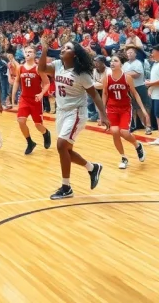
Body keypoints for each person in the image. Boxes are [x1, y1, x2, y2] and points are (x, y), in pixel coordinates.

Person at [38, 39, 108, 200]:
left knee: (61, 145)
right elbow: (41, 68)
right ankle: (92, 168)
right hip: (62, 112)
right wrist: (44, 50)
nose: (63, 49)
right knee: (66, 149)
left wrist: (103, 115)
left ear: (74, 54)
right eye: (63, 47)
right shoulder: (57, 65)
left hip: (76, 112)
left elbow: (95, 96)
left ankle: (66, 187)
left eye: (68, 48)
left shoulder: (81, 74)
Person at [103, 55, 148, 169]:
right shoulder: (106, 78)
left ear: (121, 64)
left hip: (125, 108)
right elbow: (104, 94)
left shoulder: (127, 77)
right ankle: (123, 157)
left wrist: (143, 109)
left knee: (124, 132)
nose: (112, 62)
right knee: (114, 131)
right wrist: (102, 112)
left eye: (115, 61)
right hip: (112, 108)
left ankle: (137, 146)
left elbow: (135, 93)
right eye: (111, 60)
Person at [11, 46, 51, 154]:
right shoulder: (20, 68)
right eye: (26, 52)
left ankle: (46, 133)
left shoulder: (38, 68)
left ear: (34, 55)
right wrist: (13, 95)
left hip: (36, 100)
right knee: (21, 121)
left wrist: (42, 93)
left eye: (30, 52)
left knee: (38, 125)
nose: (28, 53)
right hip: (24, 98)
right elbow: (16, 81)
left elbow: (47, 83)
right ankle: (30, 142)